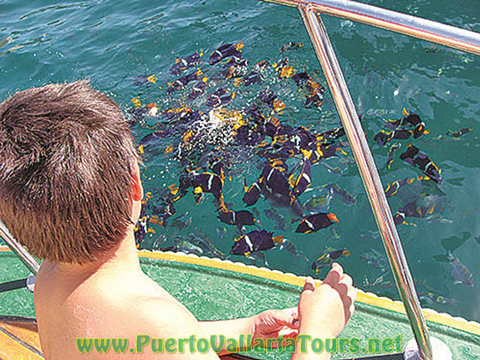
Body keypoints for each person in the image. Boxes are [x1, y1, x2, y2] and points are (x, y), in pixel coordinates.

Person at [0, 81, 356, 359]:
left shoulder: (49, 280)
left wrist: (247, 330)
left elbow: (130, 345)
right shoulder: (156, 322)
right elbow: (156, 340)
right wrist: (317, 336)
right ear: (135, 188)